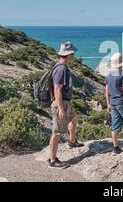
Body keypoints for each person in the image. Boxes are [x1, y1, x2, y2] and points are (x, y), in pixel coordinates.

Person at [49, 41, 84, 169]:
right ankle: (52, 161)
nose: (74, 54)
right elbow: (57, 89)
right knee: (57, 133)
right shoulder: (61, 69)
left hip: (66, 102)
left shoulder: (63, 67)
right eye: (73, 53)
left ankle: (72, 141)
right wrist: (61, 109)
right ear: (68, 54)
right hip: (61, 103)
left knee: (73, 119)